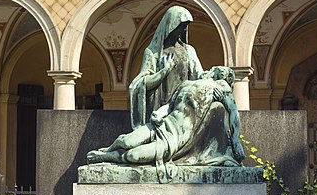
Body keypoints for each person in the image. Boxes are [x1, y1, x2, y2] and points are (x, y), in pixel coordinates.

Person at [87, 66, 245, 182]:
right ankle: (106, 151)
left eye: (220, 70)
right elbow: (169, 106)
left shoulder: (221, 87)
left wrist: (236, 141)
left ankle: (107, 157)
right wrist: (158, 113)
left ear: (223, 75)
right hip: (163, 123)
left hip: (177, 137)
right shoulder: (186, 84)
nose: (211, 69)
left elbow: (233, 112)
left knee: (134, 155)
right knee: (125, 140)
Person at [129, 5, 203, 129]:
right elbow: (142, 82)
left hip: (183, 106)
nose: (184, 30)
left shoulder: (189, 51)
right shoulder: (153, 52)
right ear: (171, 25)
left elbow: (200, 76)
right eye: (181, 26)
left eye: (185, 27)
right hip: (160, 109)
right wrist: (164, 72)